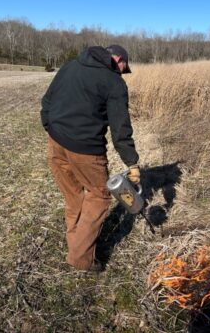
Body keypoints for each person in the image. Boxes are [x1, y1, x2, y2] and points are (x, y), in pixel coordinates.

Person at [40, 45, 140, 272]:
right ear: (120, 60)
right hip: (87, 150)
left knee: (73, 196)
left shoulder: (71, 66)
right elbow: (120, 129)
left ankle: (75, 241)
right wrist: (132, 162)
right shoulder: (114, 82)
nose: (123, 73)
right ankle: (81, 259)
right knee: (99, 196)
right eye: (124, 68)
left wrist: (50, 128)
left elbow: (47, 102)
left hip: (56, 143)